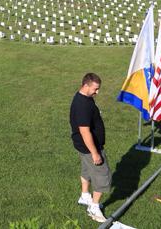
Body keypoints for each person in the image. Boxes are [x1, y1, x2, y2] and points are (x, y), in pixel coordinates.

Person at [69, 72, 110, 223]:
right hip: (89, 147)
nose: (97, 92)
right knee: (102, 176)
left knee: (86, 170)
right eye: (95, 89)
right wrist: (95, 153)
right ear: (85, 85)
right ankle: (94, 206)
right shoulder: (82, 105)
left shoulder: (84, 98)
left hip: (81, 145)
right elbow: (84, 131)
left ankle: (85, 196)